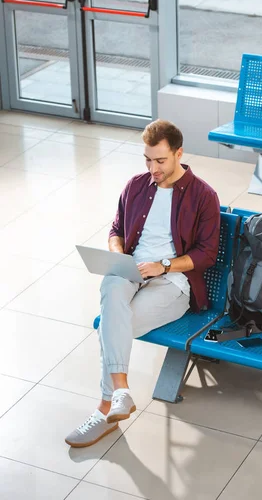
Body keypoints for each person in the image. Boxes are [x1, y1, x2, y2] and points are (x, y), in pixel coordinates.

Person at [65, 119, 220, 448]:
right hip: (132, 269)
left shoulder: (204, 195)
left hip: (174, 282)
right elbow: (115, 231)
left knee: (111, 324)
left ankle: (106, 407)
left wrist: (162, 265)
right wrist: (119, 255)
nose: (153, 168)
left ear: (179, 153)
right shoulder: (136, 185)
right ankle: (121, 392)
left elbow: (206, 254)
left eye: (160, 160)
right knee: (111, 285)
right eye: (147, 160)